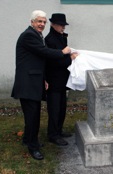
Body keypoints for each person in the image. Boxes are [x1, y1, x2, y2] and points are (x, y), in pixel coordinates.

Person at [11, 10, 71, 160]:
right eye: (39, 21)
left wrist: (43, 78)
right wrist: (63, 52)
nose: (42, 24)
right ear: (32, 22)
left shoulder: (36, 35)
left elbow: (37, 59)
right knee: (33, 117)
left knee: (33, 114)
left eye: (44, 22)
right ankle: (33, 147)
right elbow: (43, 52)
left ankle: (28, 140)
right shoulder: (29, 35)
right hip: (27, 83)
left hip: (33, 81)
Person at [45, 13, 77, 146]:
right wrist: (70, 58)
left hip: (62, 79)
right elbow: (53, 61)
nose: (63, 27)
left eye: (64, 25)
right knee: (54, 108)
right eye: (61, 25)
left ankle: (58, 130)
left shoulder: (60, 37)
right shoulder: (50, 39)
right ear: (53, 25)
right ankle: (53, 134)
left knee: (62, 106)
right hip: (53, 79)